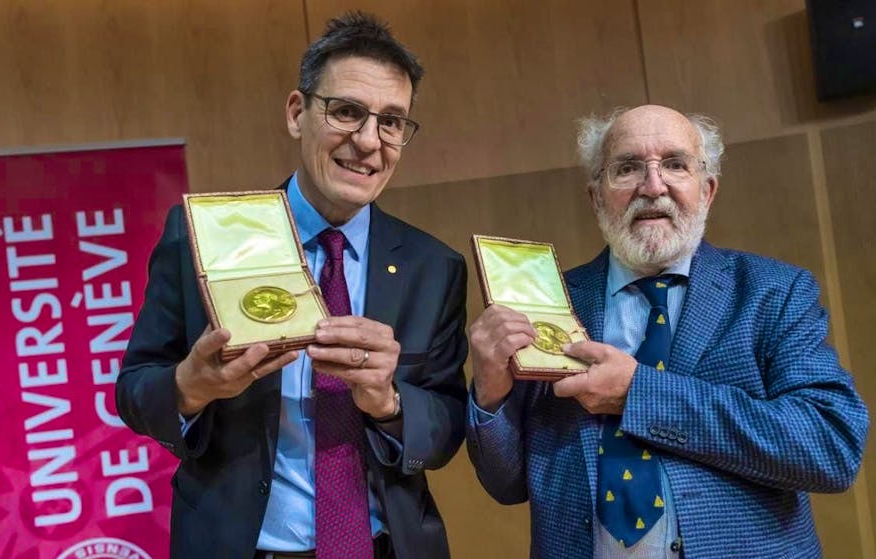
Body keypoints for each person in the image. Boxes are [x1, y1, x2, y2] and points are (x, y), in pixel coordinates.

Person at [116, 12, 468, 559]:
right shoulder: (201, 240)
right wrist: (193, 385)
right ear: (297, 113)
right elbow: (135, 392)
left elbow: (445, 427)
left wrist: (389, 401)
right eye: (347, 112)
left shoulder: (434, 266)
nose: (369, 142)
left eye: (392, 122)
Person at [465, 104, 869, 558]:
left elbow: (830, 447)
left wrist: (639, 393)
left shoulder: (772, 292)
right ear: (596, 196)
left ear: (707, 190)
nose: (653, 186)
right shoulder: (550, 304)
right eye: (627, 168)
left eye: (675, 165)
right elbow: (507, 484)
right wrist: (490, 397)